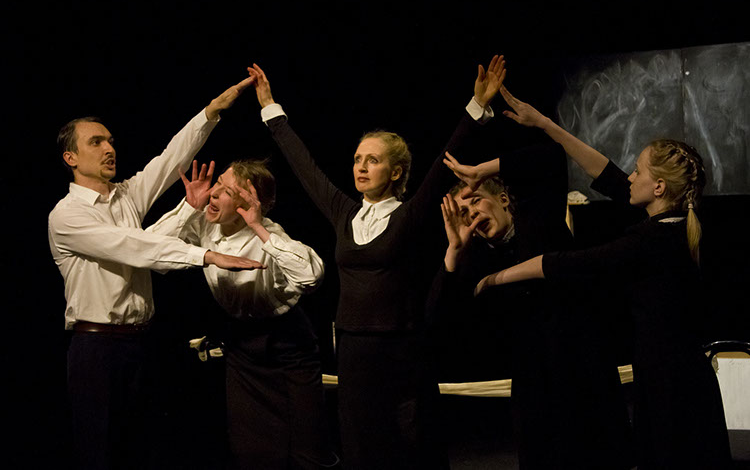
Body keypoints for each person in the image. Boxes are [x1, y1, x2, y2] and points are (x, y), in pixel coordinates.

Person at [244, 57, 505, 469]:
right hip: (352, 350)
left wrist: (477, 107)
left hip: (400, 352)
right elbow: (305, 167)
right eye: (357, 159)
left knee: (408, 445)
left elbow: (445, 162)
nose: (361, 167)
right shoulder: (344, 212)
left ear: (396, 171)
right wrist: (269, 108)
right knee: (361, 447)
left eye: (373, 160)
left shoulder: (409, 215)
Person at [470, 85, 732, 469]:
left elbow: (562, 263)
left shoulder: (651, 240)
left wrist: (495, 278)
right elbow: (604, 172)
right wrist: (544, 123)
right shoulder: (675, 223)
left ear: (659, 187)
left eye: (638, 171)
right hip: (674, 380)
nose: (630, 177)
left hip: (671, 390)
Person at [48, 75, 264, 470]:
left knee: (139, 452)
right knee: (99, 456)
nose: (109, 148)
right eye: (96, 142)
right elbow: (135, 247)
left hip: (139, 343)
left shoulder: (126, 195)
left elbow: (168, 160)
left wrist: (210, 112)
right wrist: (206, 255)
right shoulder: (66, 216)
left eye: (110, 140)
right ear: (71, 158)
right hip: (96, 349)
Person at [431, 123, 633, 468]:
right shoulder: (475, 258)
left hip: (583, 371)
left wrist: (482, 171)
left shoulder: (539, 220)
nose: (472, 214)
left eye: (476, 201)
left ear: (504, 199)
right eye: (463, 213)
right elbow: (437, 320)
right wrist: (453, 253)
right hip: (535, 389)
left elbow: (550, 156)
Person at [149, 158, 338, 469]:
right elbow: (149, 249)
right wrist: (188, 206)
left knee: (310, 451)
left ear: (250, 203)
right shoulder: (206, 223)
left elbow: (311, 277)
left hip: (288, 345)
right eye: (217, 184)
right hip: (240, 344)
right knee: (252, 451)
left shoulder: (269, 233)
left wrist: (258, 227)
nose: (213, 193)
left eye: (226, 191)